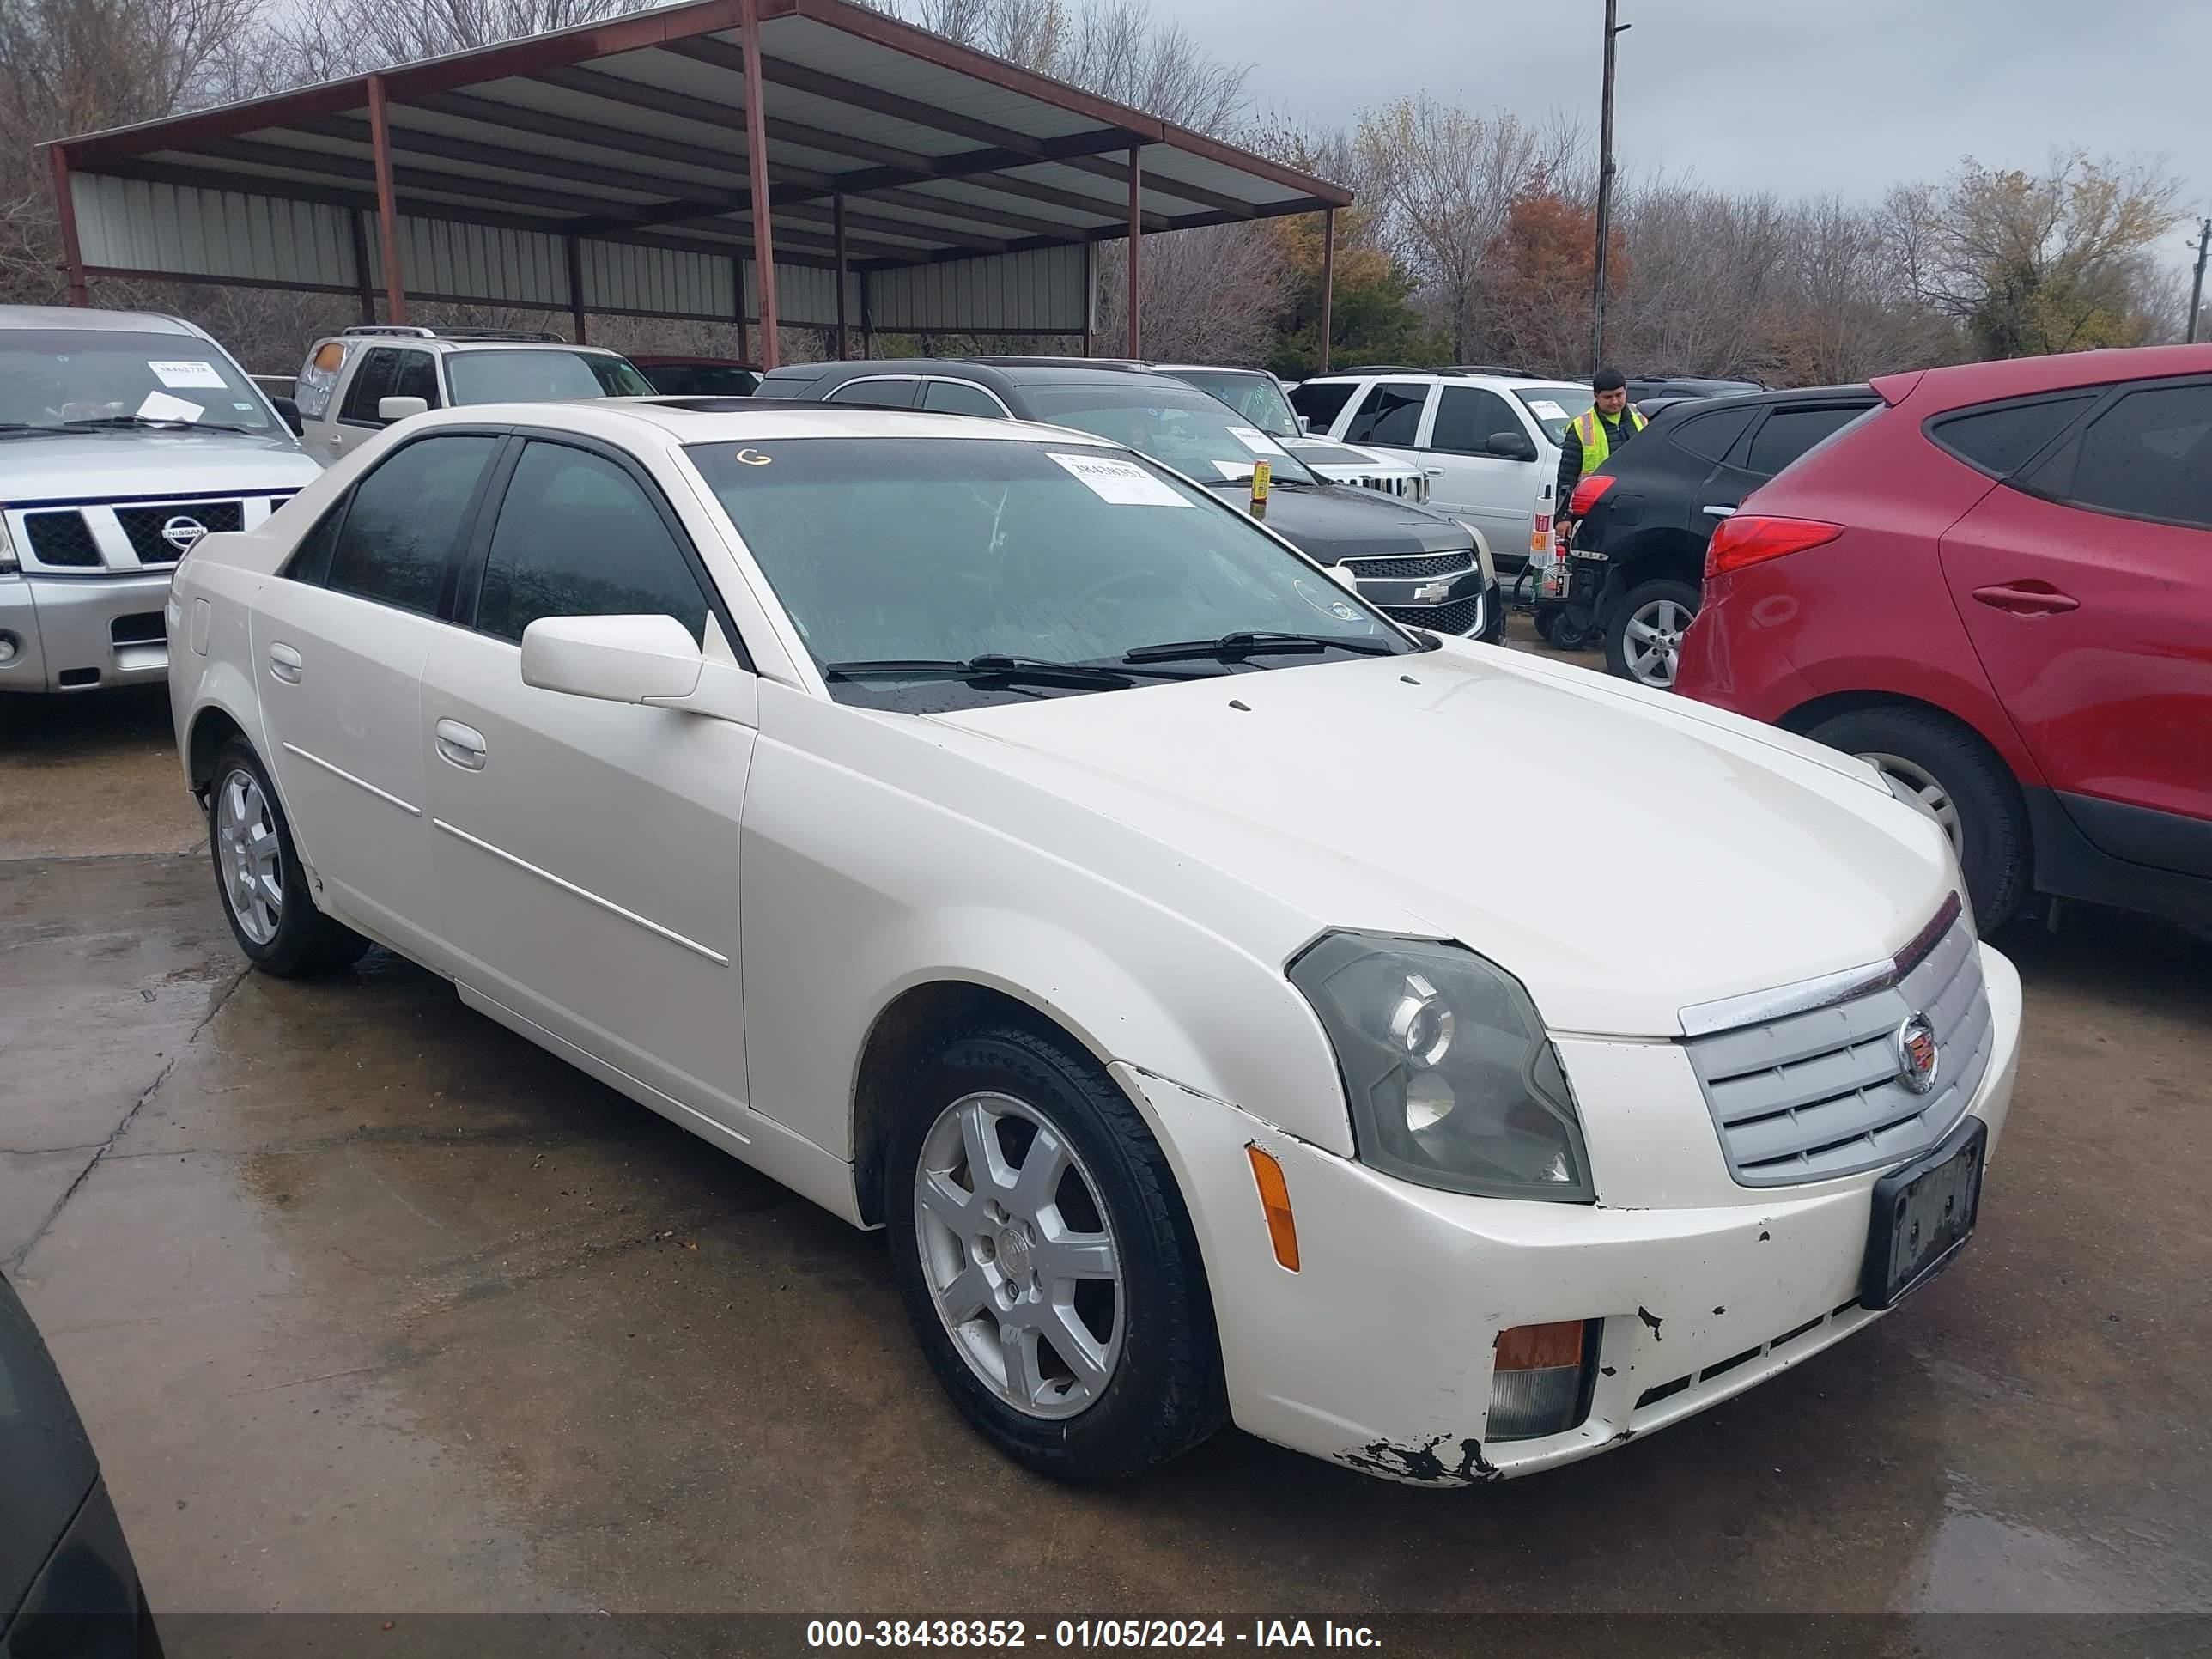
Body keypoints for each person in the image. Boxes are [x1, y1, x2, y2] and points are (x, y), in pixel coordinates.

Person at [1553, 368, 1646, 544]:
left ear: (1626, 390)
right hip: (1594, 508)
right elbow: (1567, 476)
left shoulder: (1642, 419)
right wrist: (1563, 516)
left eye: (1619, 395)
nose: (1615, 401)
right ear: (1596, 396)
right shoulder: (1581, 427)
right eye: (1608, 397)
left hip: (1634, 506)